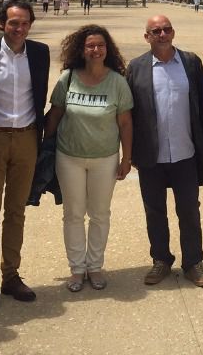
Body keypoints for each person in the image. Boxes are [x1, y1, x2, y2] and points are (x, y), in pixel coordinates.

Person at [0, 1, 50, 309]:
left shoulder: (40, 53)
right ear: (2, 24)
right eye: (14, 22)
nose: (19, 28)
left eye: (25, 23)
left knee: (16, 211)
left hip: (27, 138)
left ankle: (11, 275)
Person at [126, 16, 203, 288]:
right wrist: (130, 153)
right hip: (151, 155)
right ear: (147, 36)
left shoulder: (190, 63)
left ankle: (193, 263)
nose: (162, 34)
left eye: (166, 30)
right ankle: (161, 260)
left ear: (173, 32)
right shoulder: (136, 68)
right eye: (156, 31)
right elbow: (129, 113)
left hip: (185, 152)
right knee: (154, 211)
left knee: (189, 211)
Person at [44, 25, 133, 292]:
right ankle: (76, 268)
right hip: (69, 157)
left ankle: (94, 266)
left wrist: (127, 158)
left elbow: (125, 123)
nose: (96, 50)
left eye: (100, 45)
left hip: (105, 158)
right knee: (73, 214)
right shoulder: (68, 79)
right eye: (90, 46)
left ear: (108, 49)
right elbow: (55, 115)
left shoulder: (117, 82)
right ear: (81, 50)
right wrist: (42, 148)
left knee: (99, 214)